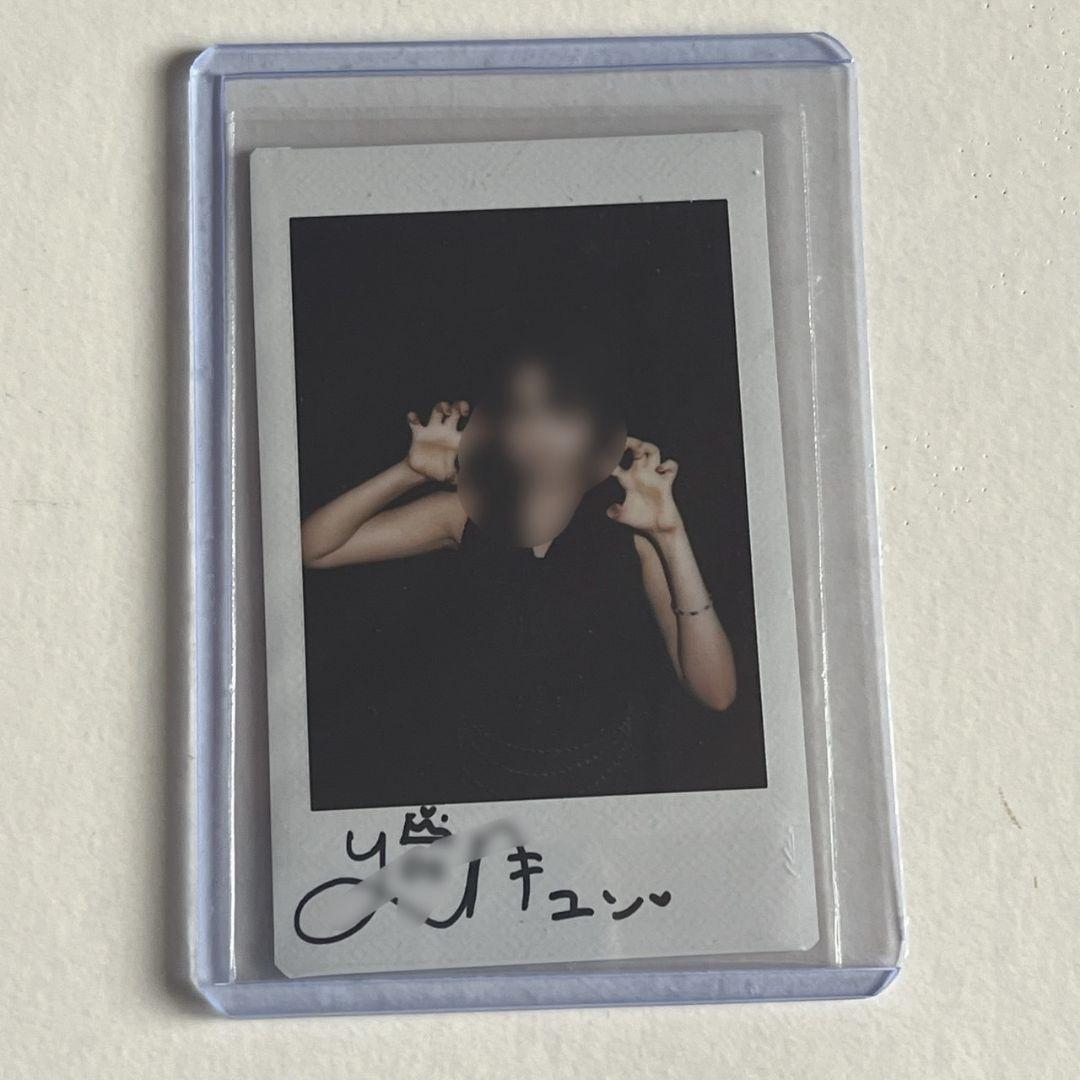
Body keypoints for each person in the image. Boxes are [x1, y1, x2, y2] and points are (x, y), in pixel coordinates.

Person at [300, 339, 736, 801]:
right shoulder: (462, 513)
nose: (536, 428)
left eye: (561, 409)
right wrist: (409, 472)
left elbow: (717, 693)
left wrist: (670, 535)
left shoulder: (632, 524)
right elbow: (314, 550)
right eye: (520, 408)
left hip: (604, 782)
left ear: (598, 427)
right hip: (481, 775)